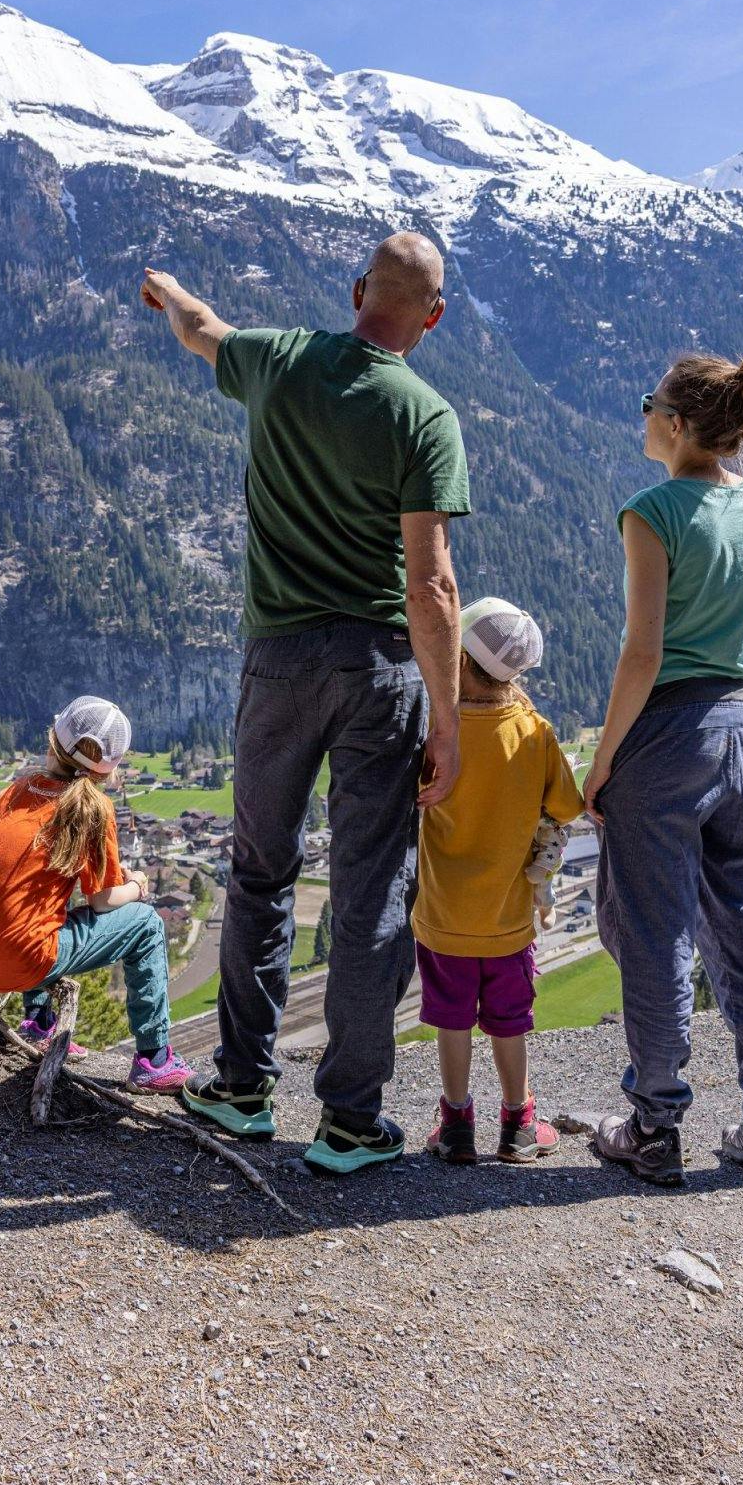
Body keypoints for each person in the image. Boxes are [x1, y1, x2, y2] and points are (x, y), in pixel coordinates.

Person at [141, 233, 471, 1174]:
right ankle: (350, 1121)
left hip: (278, 663)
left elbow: (200, 328)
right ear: (432, 316)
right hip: (379, 672)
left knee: (259, 873)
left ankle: (241, 1086)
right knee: (371, 896)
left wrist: (167, 287)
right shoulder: (426, 415)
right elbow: (432, 584)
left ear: (358, 288)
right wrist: (446, 723)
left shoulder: (278, 360)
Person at [582, 356, 743, 1189]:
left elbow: (641, 653)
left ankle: (654, 1127)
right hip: (737, 728)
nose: (641, 417)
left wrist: (602, 765)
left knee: (653, 932)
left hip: (663, 733)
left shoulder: (652, 511)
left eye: (649, 406)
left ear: (675, 425)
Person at [0, 695, 192, 1093]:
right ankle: (154, 1061)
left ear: (53, 738)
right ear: (110, 765)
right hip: (15, 964)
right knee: (146, 924)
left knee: (36, 908)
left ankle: (39, 1024)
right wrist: (139, 885)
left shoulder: (16, 790)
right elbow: (103, 900)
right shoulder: (93, 810)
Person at [414, 598, 583, 1165]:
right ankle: (518, 1122)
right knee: (510, 1024)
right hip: (509, 922)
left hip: (443, 918)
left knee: (452, 1021)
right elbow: (567, 804)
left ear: (457, 658)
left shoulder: (439, 735)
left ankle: (456, 1123)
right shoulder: (534, 733)